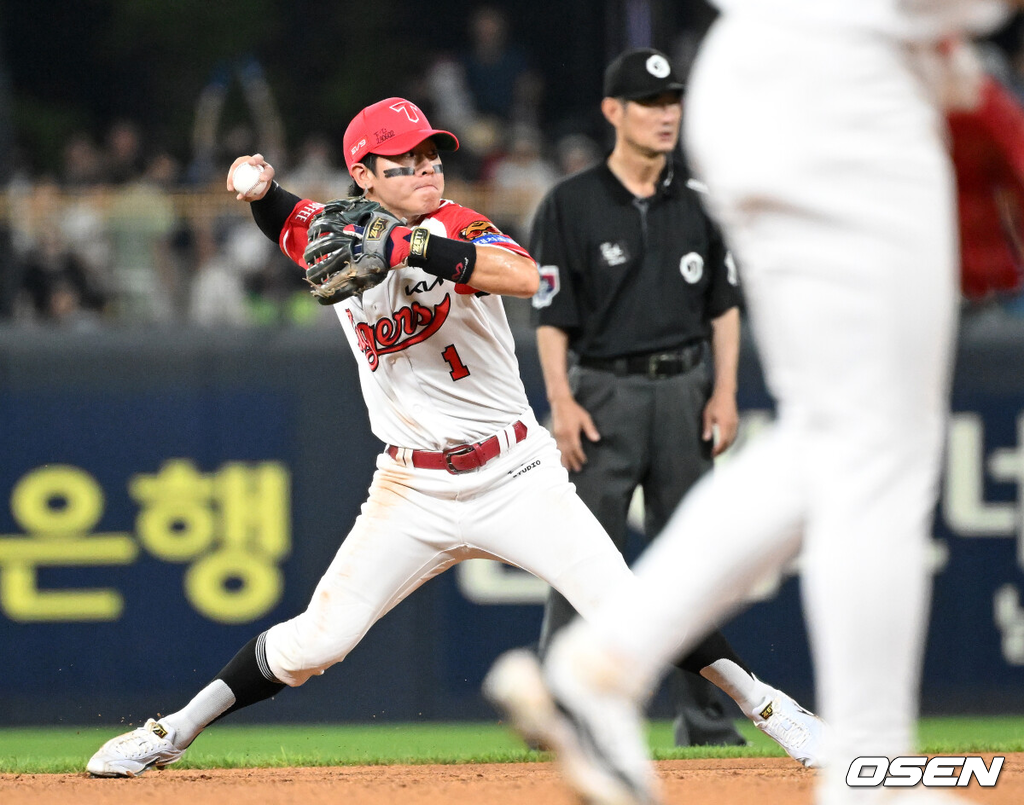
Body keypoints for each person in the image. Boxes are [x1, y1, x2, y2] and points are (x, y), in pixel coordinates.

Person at [84, 96, 818, 777]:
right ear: (363, 174)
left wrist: (412, 247)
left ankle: (773, 709)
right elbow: (282, 213)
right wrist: (253, 187)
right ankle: (172, 731)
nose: (429, 167)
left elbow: (527, 276)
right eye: (406, 160)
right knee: (318, 641)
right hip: (410, 488)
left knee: (633, 610)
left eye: (433, 154)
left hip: (515, 475)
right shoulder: (338, 230)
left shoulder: (454, 227)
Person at [484, 2, 1017, 805]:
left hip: (783, 76)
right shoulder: (574, 201)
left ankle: (603, 666)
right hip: (845, 82)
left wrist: (955, 80)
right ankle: (868, 770)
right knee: (878, 448)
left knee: (841, 437)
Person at [529, 47, 757, 748]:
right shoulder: (570, 202)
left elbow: (724, 305)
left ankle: (708, 719)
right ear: (613, 111)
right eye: (650, 103)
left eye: (672, 102)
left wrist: (724, 390)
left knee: (695, 562)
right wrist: (562, 401)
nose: (666, 115)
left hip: (685, 389)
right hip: (603, 391)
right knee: (582, 558)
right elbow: (549, 313)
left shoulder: (699, 201)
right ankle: (564, 712)